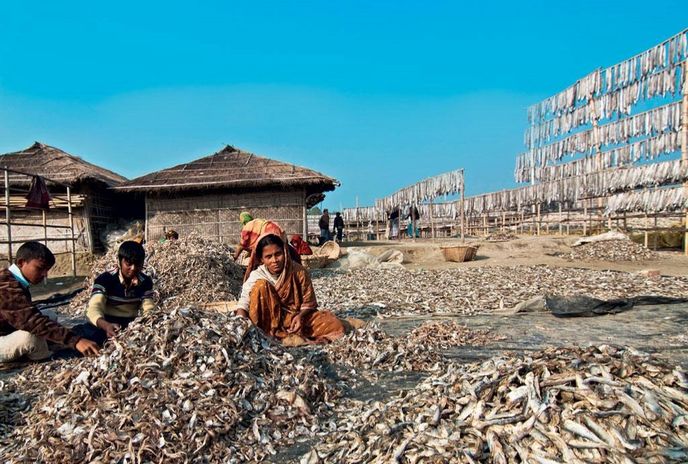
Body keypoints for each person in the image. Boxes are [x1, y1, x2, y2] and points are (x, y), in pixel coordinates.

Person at [236, 234, 345, 344]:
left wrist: (300, 316)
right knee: (261, 285)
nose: (275, 260)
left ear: (284, 252)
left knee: (333, 323)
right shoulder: (257, 275)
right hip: (268, 322)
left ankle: (289, 335)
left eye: (278, 254)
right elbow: (243, 303)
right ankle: (269, 335)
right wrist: (240, 326)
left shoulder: (298, 271)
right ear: (261, 259)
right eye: (268, 257)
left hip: (294, 318)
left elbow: (308, 302)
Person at [0, 241, 99, 362]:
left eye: (47, 270)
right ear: (21, 263)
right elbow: (32, 321)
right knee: (30, 339)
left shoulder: (12, 279)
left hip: (8, 329)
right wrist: (76, 341)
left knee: (50, 316)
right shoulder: (5, 285)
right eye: (40, 268)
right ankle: (43, 358)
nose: (45, 274)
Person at [73, 241, 156, 345]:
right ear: (120, 261)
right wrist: (106, 325)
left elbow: (148, 307)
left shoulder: (145, 282)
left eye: (138, 264)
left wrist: (147, 323)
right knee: (88, 338)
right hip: (105, 322)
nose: (133, 268)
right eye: (129, 264)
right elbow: (94, 307)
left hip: (130, 324)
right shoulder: (105, 279)